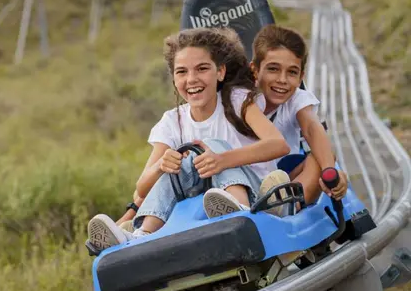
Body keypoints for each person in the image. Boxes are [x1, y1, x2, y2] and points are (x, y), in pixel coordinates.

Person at [87, 27, 290, 252]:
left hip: (254, 193)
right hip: (201, 203)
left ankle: (239, 209)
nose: (192, 79)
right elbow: (142, 188)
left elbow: (278, 145)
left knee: (212, 146)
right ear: (174, 79)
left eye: (202, 68)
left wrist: (222, 159)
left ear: (220, 72)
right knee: (175, 165)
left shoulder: (238, 101)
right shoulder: (172, 121)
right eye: (182, 72)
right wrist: (161, 165)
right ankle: (142, 235)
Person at [248, 24, 348, 216]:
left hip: (287, 179)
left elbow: (311, 126)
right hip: (248, 176)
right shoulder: (242, 98)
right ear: (255, 70)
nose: (282, 79)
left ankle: (287, 205)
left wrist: (330, 170)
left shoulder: (297, 99)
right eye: (273, 69)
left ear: (301, 76)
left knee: (321, 158)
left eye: (292, 72)